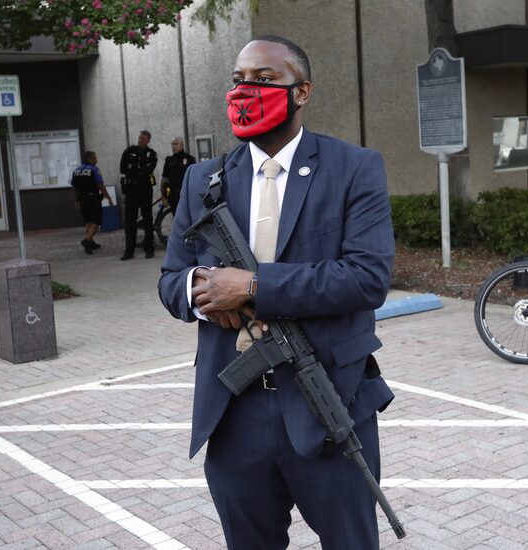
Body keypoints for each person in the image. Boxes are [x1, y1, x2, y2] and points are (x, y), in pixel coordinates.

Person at [158, 36, 395, 549]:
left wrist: (252, 286)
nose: (246, 90)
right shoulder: (204, 179)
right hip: (233, 411)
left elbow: (367, 277)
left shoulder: (353, 167)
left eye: (264, 80)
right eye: (239, 79)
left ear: (302, 91)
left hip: (328, 400)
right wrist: (203, 293)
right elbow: (171, 279)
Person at [119, 130, 158, 260]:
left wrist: (135, 170)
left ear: (148, 141)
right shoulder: (129, 151)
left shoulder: (151, 154)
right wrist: (138, 170)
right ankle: (129, 251)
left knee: (147, 220)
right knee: (130, 221)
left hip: (145, 190)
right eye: (140, 138)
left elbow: (148, 169)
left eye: (143, 139)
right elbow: (123, 169)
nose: (140, 140)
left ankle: (149, 249)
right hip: (131, 190)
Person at [70, 150, 113, 254]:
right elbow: (100, 186)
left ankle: (90, 243)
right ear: (89, 159)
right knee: (96, 221)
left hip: (83, 200)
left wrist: (77, 200)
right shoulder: (94, 170)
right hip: (93, 199)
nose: (96, 160)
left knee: (88, 221)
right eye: (94, 158)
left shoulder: (76, 171)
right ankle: (87, 240)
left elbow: (75, 187)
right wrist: (109, 198)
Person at [160, 137, 196, 215]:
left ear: (182, 145)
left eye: (176, 144)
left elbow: (194, 178)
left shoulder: (190, 159)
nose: (173, 146)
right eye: (172, 144)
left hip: (186, 194)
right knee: (177, 217)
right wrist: (164, 197)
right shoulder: (169, 160)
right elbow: (165, 179)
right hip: (174, 195)